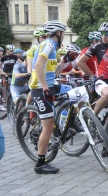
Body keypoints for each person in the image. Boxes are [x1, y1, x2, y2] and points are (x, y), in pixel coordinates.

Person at [29, 20, 66, 174]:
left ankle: (72, 123)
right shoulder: (49, 44)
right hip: (40, 88)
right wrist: (44, 88)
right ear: (58, 33)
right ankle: (40, 164)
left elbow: (54, 71)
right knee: (48, 126)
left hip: (50, 85)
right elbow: (38, 65)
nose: (63, 36)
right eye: (63, 33)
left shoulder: (51, 46)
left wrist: (65, 62)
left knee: (73, 91)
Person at [78, 22, 108, 116]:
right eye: (102, 34)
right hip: (100, 81)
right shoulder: (96, 47)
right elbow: (80, 62)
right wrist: (91, 75)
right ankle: (93, 118)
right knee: (107, 94)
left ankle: (106, 129)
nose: (104, 36)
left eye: (107, 34)